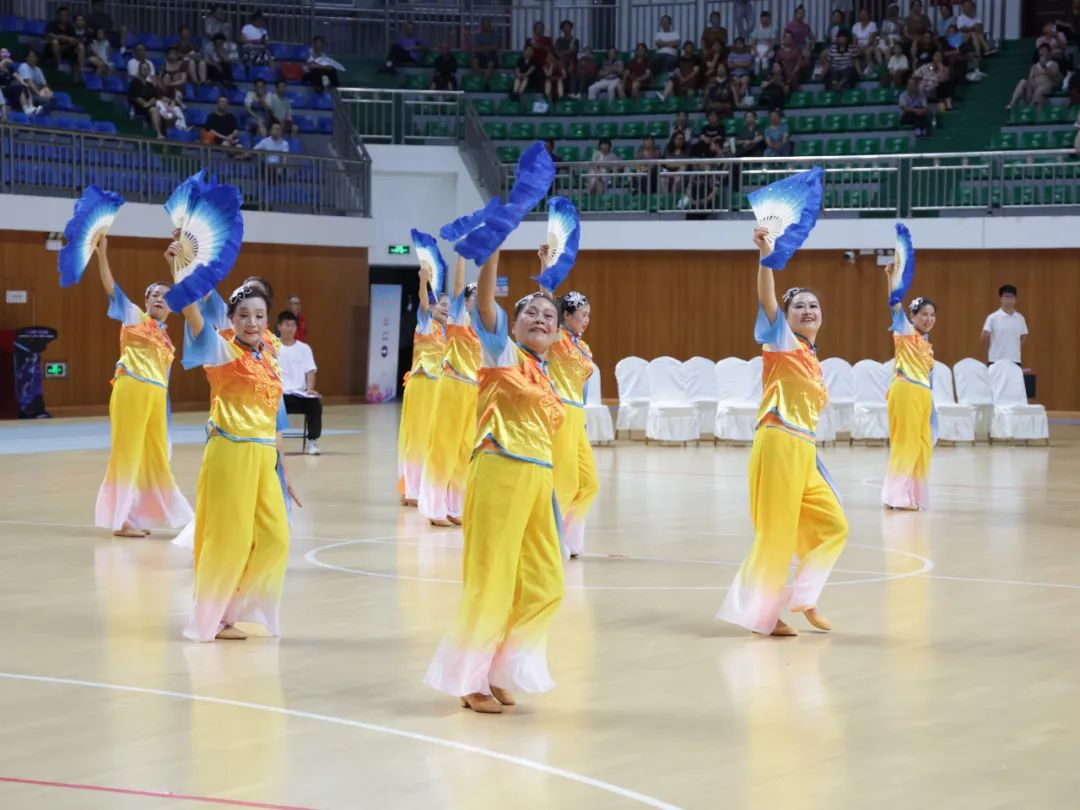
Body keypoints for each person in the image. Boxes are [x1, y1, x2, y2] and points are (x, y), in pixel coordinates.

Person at [424, 246, 567, 714]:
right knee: (492, 579)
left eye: (550, 315)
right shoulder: (501, 351)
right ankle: (470, 678)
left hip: (537, 480)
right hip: (499, 468)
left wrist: (547, 281)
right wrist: (495, 250)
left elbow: (547, 309)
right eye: (530, 313)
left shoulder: (546, 371)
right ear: (513, 323)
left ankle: (500, 666)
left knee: (545, 583)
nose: (541, 319)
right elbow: (486, 305)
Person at [718, 228, 848, 637]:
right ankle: (762, 613)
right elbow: (767, 300)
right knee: (775, 535)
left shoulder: (811, 356)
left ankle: (804, 598)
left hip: (805, 451)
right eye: (799, 307)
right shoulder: (782, 342)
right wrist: (766, 258)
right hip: (778, 440)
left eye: (813, 305)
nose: (807, 310)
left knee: (833, 525)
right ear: (786, 318)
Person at [176, 273, 293, 642]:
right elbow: (193, 313)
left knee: (276, 536)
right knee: (229, 539)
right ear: (232, 318)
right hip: (231, 451)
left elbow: (275, 415)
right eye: (244, 315)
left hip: (263, 457)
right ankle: (213, 619)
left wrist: (283, 467)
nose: (252, 322)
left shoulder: (270, 350)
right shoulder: (221, 350)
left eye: (259, 315)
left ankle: (237, 606)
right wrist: (184, 271)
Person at [91, 237, 193, 538]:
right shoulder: (134, 317)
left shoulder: (168, 340)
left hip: (156, 400)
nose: (160, 299)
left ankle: (139, 514)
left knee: (156, 456)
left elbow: (165, 384)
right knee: (128, 454)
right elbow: (111, 287)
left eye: (166, 296)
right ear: (146, 302)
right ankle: (119, 520)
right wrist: (102, 256)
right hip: (131, 390)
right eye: (154, 295)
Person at [418, 258, 480, 527]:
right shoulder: (458, 317)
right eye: (476, 296)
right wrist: (462, 256)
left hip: (473, 391)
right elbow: (457, 284)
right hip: (452, 384)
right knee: (444, 445)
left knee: (465, 448)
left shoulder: (484, 330)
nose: (480, 301)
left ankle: (455, 506)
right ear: (466, 300)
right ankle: (434, 508)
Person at [549, 290, 599, 559]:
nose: (587, 320)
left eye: (589, 315)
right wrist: (546, 269)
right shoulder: (557, 337)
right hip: (561, 411)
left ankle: (568, 536)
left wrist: (583, 418)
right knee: (565, 481)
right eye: (583, 315)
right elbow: (547, 299)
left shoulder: (583, 346)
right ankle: (551, 539)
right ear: (565, 316)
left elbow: (583, 387)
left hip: (577, 414)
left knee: (589, 483)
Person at [882, 271, 936, 512]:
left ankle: (912, 495)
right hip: (906, 391)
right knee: (907, 443)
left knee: (922, 445)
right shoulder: (904, 331)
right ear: (912, 316)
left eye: (932, 315)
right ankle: (896, 496)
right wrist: (891, 278)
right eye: (923, 314)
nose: (928, 318)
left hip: (922, 396)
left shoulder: (925, 343)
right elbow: (895, 302)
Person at [397, 267, 448, 505]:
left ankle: (430, 487)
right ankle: (411, 490)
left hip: (441, 390)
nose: (445, 308)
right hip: (421, 384)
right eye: (441, 304)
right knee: (417, 438)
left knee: (434, 438)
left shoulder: (453, 335)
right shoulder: (425, 324)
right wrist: (423, 282)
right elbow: (424, 302)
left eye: (449, 305)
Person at [277, 310, 322, 455]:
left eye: (293, 325)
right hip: (279, 395)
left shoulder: (304, 348)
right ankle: (272, 444)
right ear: (279, 327)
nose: (290, 328)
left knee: (315, 404)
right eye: (286, 325)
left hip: (299, 394)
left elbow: (310, 370)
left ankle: (312, 441)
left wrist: (310, 389)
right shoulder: (272, 347)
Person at [981, 285, 1028, 366]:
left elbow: (1024, 336)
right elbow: (984, 337)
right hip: (995, 360)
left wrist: (1015, 347)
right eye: (1006, 297)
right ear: (1001, 299)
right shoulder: (992, 317)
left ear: (1015, 299)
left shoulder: (1020, 318)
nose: (1009, 300)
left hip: (1015, 360)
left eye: (1011, 297)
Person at [1006, 45, 1060, 110]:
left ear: (1049, 53)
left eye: (1045, 50)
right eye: (1041, 51)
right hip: (1033, 87)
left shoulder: (1053, 64)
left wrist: (1045, 67)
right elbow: (1030, 78)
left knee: (1040, 90)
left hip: (1045, 86)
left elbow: (1055, 78)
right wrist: (1032, 86)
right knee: (1023, 81)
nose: (1043, 53)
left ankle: (1033, 110)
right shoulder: (1034, 66)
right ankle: (1012, 104)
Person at [46, 6, 86, 78]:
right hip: (54, 49)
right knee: (55, 42)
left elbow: (74, 39)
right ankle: (59, 65)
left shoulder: (70, 27)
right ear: (58, 16)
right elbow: (49, 35)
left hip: (67, 48)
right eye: (62, 14)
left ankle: (81, 69)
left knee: (80, 46)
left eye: (66, 15)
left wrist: (68, 39)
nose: (64, 16)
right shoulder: (52, 24)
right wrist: (61, 37)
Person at [128, 61, 163, 137]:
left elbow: (154, 98)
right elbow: (135, 97)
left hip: (148, 107)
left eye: (147, 69)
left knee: (160, 111)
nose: (145, 70)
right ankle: (158, 134)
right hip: (137, 108)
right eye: (143, 68)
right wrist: (144, 104)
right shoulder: (135, 82)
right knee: (154, 110)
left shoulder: (150, 84)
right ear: (139, 70)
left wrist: (148, 104)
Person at [471, 17, 499, 89]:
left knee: (491, 64)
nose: (487, 26)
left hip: (491, 55)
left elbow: (495, 47)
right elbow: (476, 47)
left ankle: (486, 84)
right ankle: (478, 82)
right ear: (482, 25)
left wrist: (482, 47)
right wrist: (487, 48)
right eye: (485, 24)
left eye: (488, 24)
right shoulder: (476, 36)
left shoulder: (494, 35)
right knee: (474, 61)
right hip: (479, 55)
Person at [851, 7, 879, 75]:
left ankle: (871, 70)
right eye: (861, 14)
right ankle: (859, 72)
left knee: (867, 52)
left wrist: (862, 49)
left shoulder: (872, 24)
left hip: (870, 45)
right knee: (853, 52)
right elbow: (854, 41)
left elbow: (871, 40)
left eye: (865, 14)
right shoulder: (855, 26)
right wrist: (858, 48)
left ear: (869, 15)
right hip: (858, 46)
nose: (863, 15)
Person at [726, 36, 753, 102]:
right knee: (736, 81)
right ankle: (738, 99)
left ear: (743, 44)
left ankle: (740, 96)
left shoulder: (748, 54)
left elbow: (747, 64)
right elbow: (730, 65)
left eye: (740, 43)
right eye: (737, 43)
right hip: (734, 74)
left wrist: (735, 64)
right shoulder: (731, 55)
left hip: (745, 74)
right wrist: (742, 64)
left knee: (745, 80)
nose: (739, 45)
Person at [751, 10, 777, 75]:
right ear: (760, 19)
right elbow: (753, 42)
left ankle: (765, 76)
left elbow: (773, 43)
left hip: (768, 48)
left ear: (769, 19)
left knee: (764, 60)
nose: (765, 20)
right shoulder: (756, 29)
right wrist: (755, 51)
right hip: (758, 47)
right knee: (757, 60)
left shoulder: (772, 30)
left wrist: (767, 52)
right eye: (763, 18)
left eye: (766, 18)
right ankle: (757, 76)